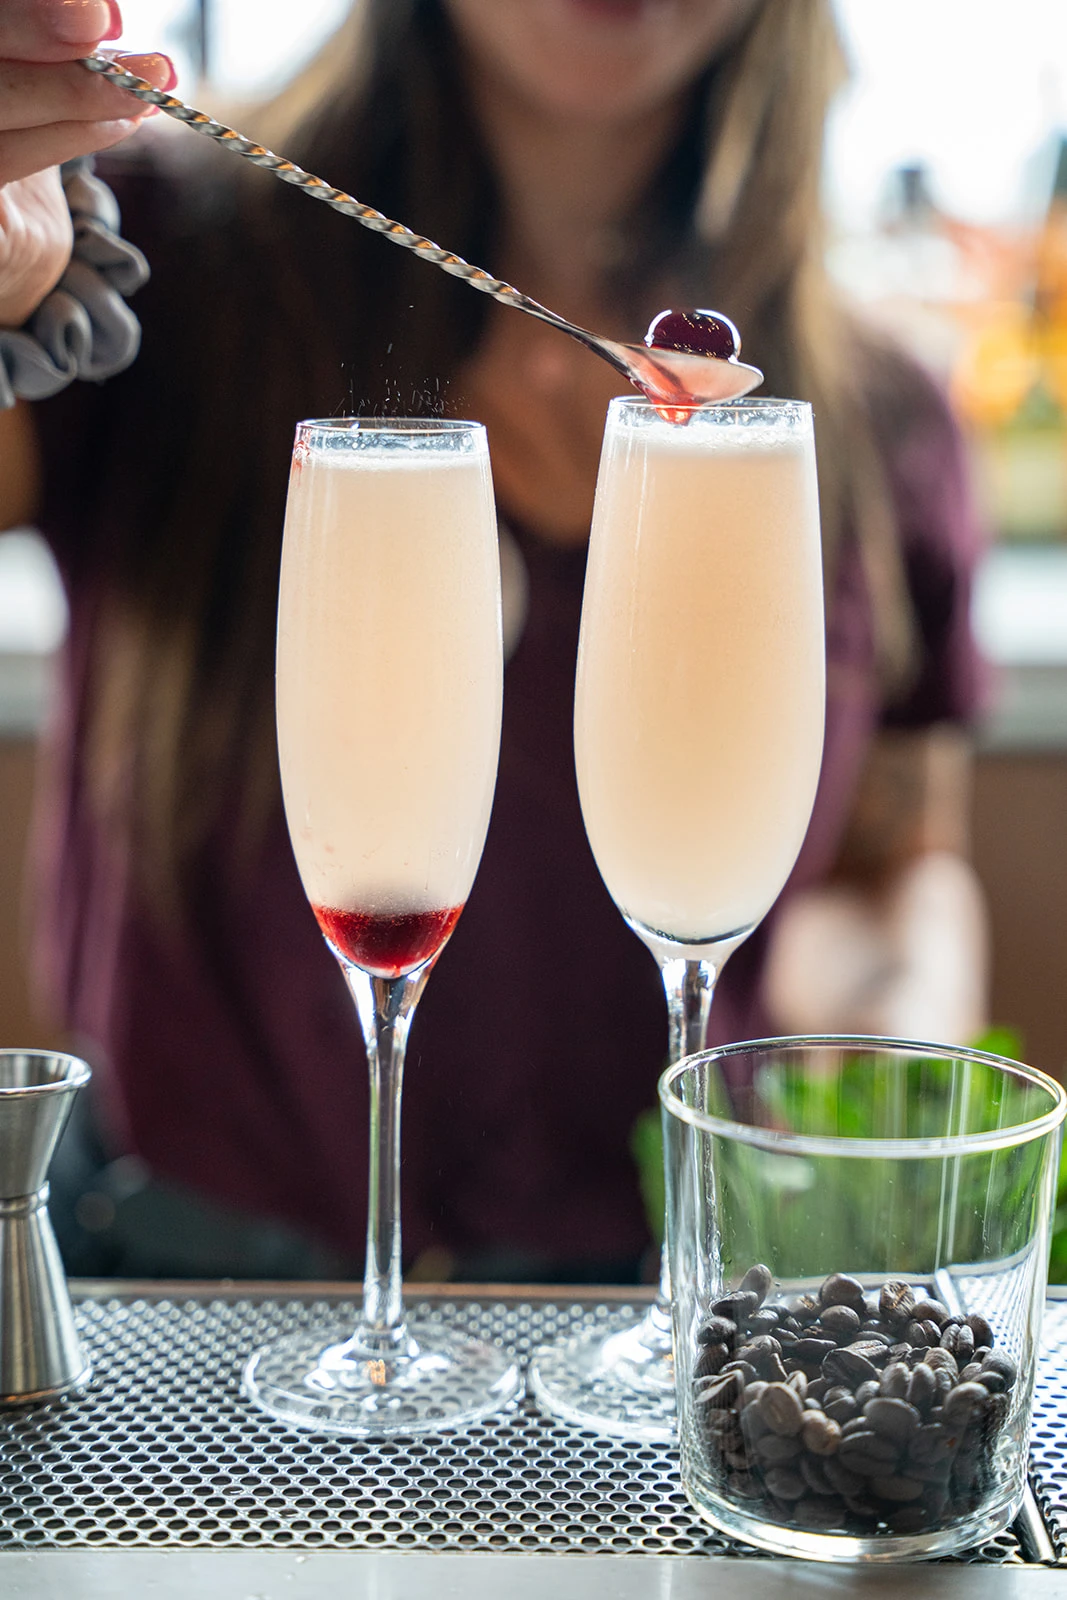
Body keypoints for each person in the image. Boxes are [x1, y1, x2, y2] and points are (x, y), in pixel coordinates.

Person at [0, 0, 988, 1281]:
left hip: (634, 1313)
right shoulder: (125, 250)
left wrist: (894, 1055)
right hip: (185, 1294)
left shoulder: (865, 425)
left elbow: (885, 862)